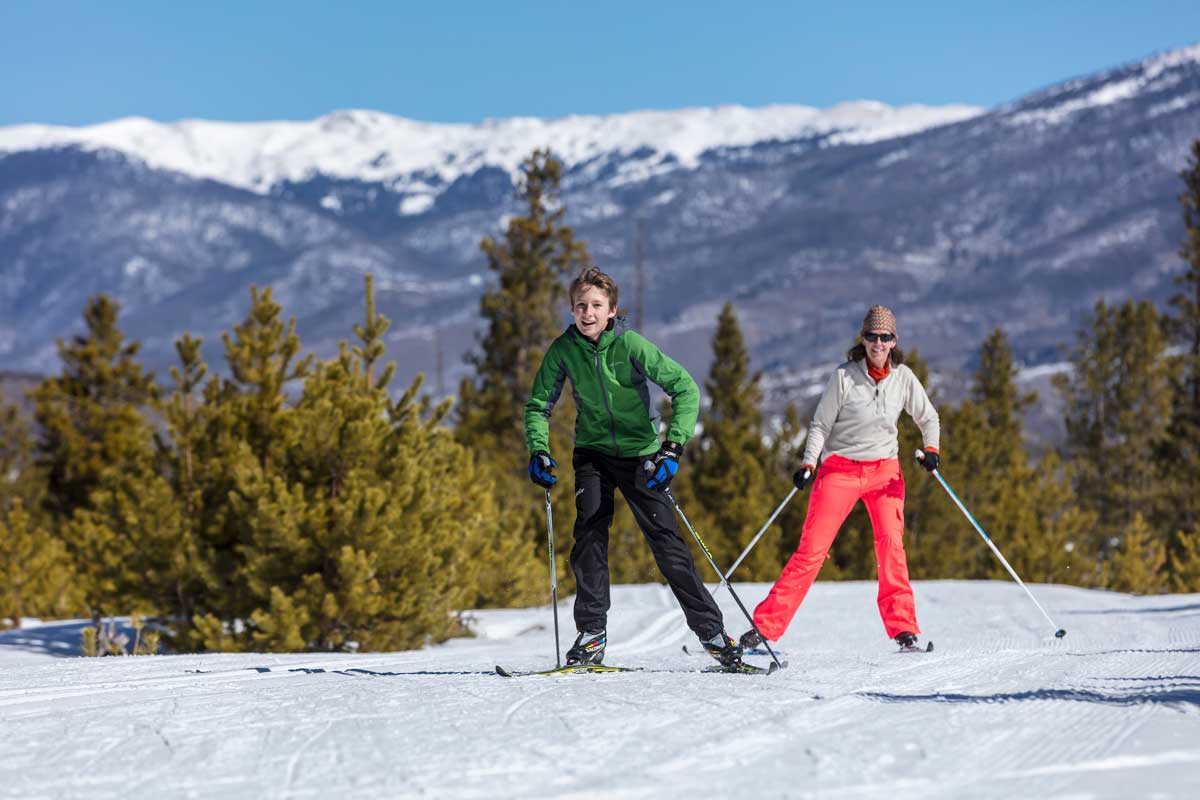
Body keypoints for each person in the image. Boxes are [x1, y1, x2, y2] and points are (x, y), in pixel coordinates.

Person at [524, 266, 743, 668]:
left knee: (668, 546)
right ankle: (591, 636)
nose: (587, 313)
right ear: (571, 309)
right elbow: (539, 406)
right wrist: (539, 450)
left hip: (641, 454)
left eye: (596, 306)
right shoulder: (563, 351)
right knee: (589, 537)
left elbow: (685, 388)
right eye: (580, 306)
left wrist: (672, 448)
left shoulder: (631, 345)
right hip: (592, 453)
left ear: (612, 310)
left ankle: (712, 633)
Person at [741, 305, 940, 652]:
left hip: (884, 473)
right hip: (840, 471)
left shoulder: (904, 378)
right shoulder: (844, 377)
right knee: (811, 552)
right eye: (871, 336)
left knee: (891, 547)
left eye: (885, 337)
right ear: (862, 340)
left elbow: (928, 417)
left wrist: (932, 448)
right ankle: (764, 628)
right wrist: (808, 463)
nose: (878, 343)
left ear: (894, 341)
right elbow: (820, 424)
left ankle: (903, 629)